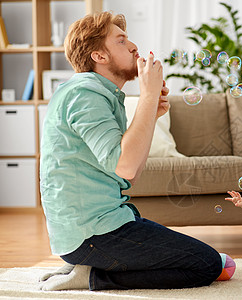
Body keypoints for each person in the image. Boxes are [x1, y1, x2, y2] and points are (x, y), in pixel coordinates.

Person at [39, 11, 222, 291]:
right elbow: (125, 166)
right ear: (99, 56)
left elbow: (129, 176)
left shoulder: (99, 94)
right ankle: (91, 276)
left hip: (93, 226)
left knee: (152, 232)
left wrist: (151, 116)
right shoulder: (85, 94)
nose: (134, 46)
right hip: (90, 233)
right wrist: (148, 97)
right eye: (122, 41)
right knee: (206, 263)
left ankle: (84, 262)